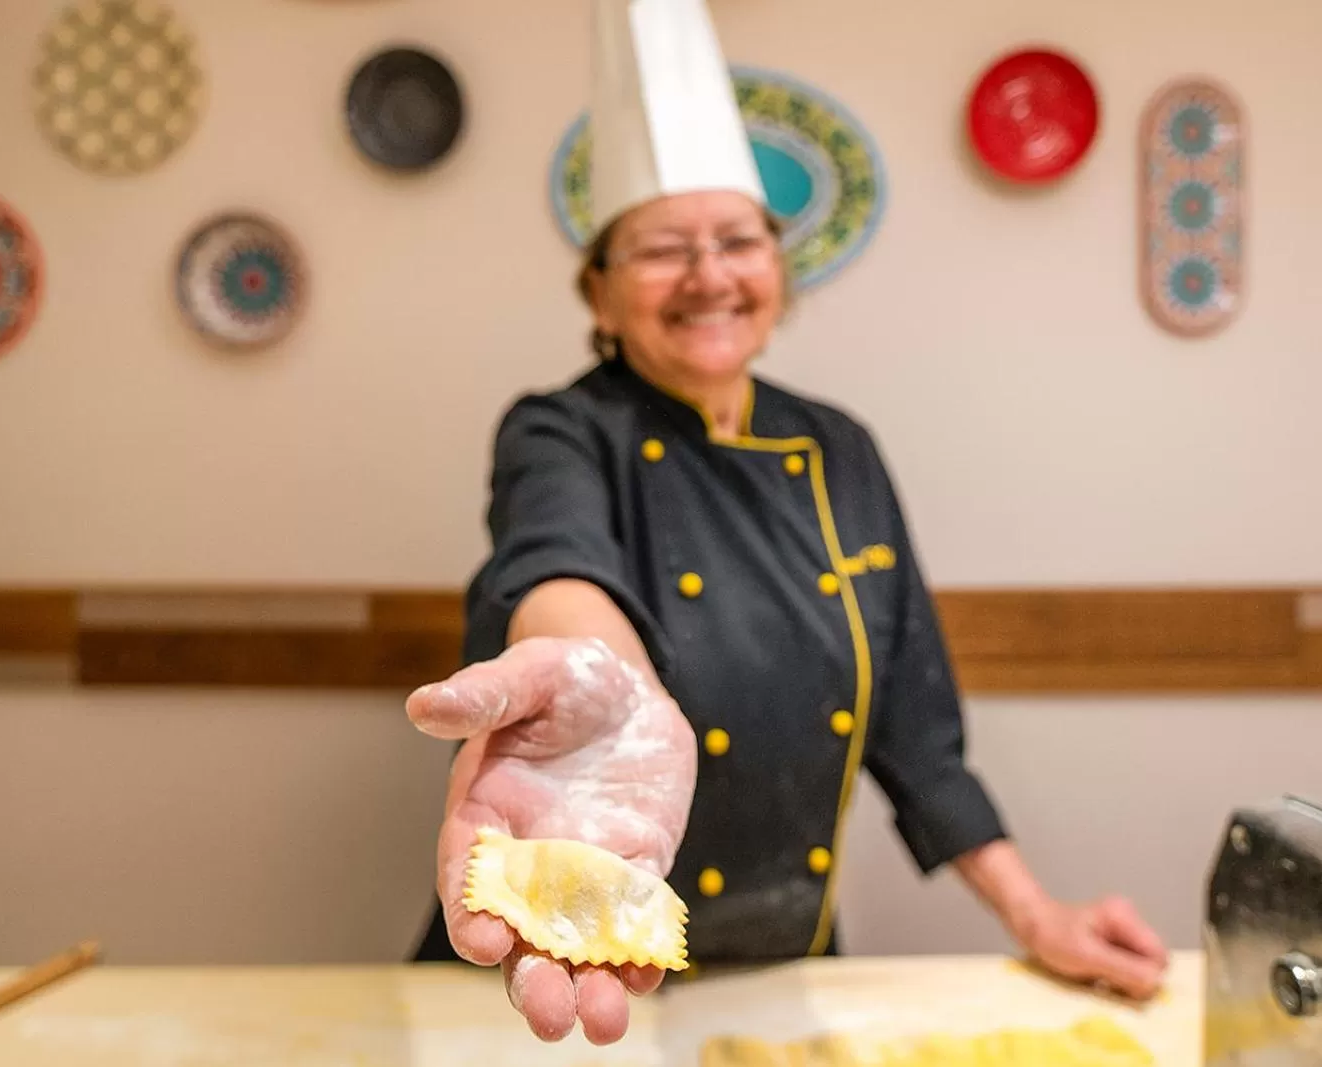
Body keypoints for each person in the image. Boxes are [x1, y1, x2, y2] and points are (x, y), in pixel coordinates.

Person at [403, 0, 1168, 1046]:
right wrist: (597, 675)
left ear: (778, 268)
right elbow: (553, 559)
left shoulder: (840, 447)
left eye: (738, 241)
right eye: (664, 248)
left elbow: (913, 729)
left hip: (784, 959)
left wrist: (1034, 911)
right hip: (554, 943)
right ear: (601, 289)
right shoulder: (560, 428)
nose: (709, 275)